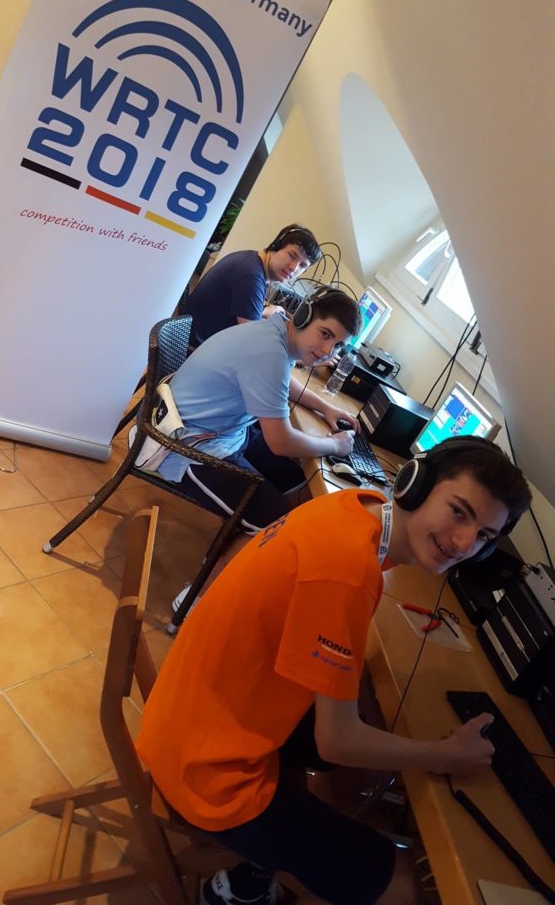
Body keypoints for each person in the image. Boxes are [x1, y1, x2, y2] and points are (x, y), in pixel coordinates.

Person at [136, 437, 532, 905]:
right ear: (416, 485)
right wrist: (444, 756)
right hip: (204, 773)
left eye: (484, 536)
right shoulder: (347, 572)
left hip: (183, 719)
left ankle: (257, 875)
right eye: (459, 512)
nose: (464, 543)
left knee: (354, 731)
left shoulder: (353, 506)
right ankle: (243, 884)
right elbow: (337, 741)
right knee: (404, 883)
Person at [142, 286, 362, 534]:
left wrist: (325, 407)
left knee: (298, 480)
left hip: (222, 432)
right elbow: (281, 442)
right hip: (185, 448)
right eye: (325, 334)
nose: (327, 351)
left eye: (337, 346)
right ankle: (244, 544)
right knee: (276, 530)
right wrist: (335, 446)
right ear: (303, 316)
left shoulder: (274, 333)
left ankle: (243, 528)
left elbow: (281, 382)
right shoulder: (269, 353)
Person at [185, 224, 322, 346]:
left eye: (302, 265)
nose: (293, 268)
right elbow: (252, 340)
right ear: (277, 246)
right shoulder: (251, 276)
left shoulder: (251, 261)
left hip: (194, 337)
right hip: (194, 347)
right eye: (292, 255)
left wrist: (266, 311)